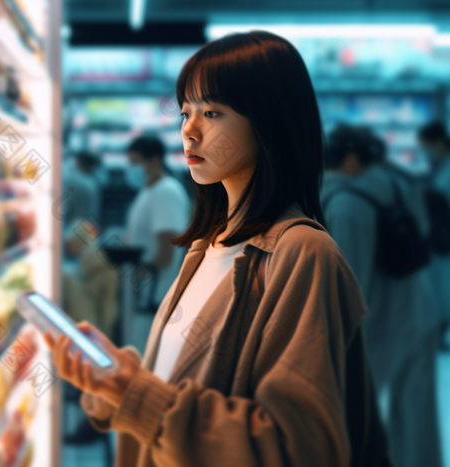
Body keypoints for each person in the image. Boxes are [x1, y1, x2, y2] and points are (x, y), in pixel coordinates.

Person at [45, 31, 390, 467]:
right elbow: (173, 388)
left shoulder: (303, 254)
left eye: (212, 112)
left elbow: (297, 450)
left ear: (270, 121)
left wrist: (136, 394)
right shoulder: (206, 247)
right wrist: (112, 381)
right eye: (185, 111)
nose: (189, 129)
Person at [322, 124, 441, 467]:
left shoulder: (346, 204)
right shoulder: (400, 185)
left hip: (378, 327)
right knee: (417, 414)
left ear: (353, 158)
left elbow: (350, 283)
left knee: (351, 416)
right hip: (419, 313)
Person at [124, 135, 190, 312]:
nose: (132, 169)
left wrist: (140, 274)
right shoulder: (148, 191)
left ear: (154, 160)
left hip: (155, 296)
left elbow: (167, 250)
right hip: (141, 294)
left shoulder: (166, 192)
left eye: (135, 163)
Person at [418, 121, 450, 348]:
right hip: (440, 242)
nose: (425, 153)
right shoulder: (441, 168)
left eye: (426, 146)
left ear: (438, 143)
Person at [62, 151, 102, 224]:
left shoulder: (73, 180)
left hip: (72, 228)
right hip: (88, 228)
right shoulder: (92, 182)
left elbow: (64, 211)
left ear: (78, 162)